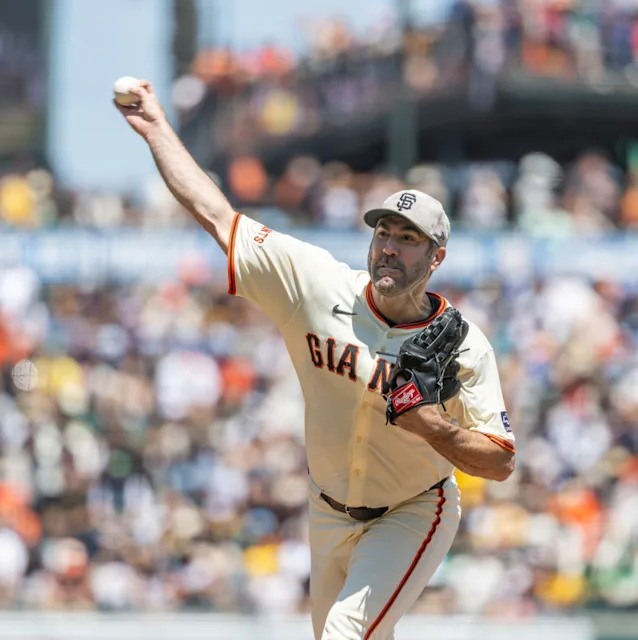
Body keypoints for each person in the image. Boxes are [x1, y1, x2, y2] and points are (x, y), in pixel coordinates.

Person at [115, 81, 515, 640]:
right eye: (383, 232)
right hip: (326, 507)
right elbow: (216, 216)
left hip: (413, 510)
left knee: (347, 633)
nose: (390, 246)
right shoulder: (315, 282)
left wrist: (434, 427)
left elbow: (499, 462)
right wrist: (157, 128)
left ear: (436, 256)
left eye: (408, 238)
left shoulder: (462, 344)